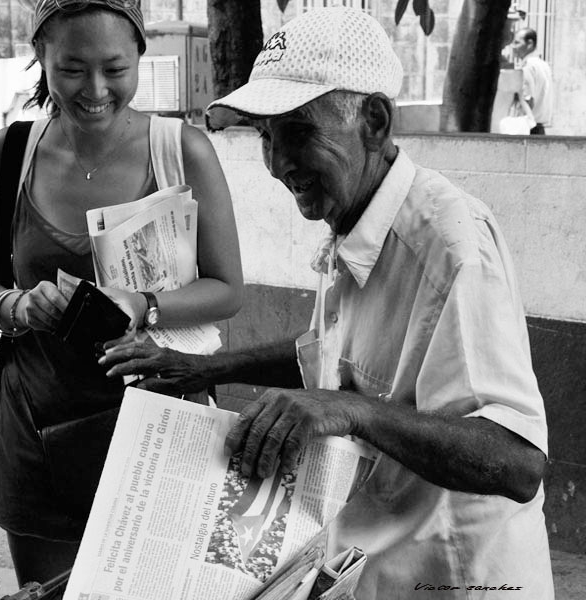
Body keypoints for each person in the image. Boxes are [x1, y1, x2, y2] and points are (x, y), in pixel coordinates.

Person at [101, 8, 554, 598]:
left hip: (459, 576)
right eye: (268, 136)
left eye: (299, 132)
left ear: (373, 120)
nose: (279, 162)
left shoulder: (448, 242)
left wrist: (346, 411)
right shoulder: (355, 220)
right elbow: (335, 362)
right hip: (377, 564)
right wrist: (208, 369)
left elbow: (518, 462)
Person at [0, 0, 243, 586]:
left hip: (156, 427)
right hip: (36, 428)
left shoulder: (180, 150)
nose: (94, 90)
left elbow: (228, 288)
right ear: (40, 57)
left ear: (140, 52)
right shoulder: (11, 154)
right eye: (71, 69)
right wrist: (14, 306)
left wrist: (144, 304)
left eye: (114, 69)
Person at [511, 27, 553, 134]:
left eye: (517, 43)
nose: (513, 47)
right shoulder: (543, 65)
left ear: (529, 44)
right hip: (539, 128)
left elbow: (527, 99)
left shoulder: (528, 66)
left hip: (528, 129)